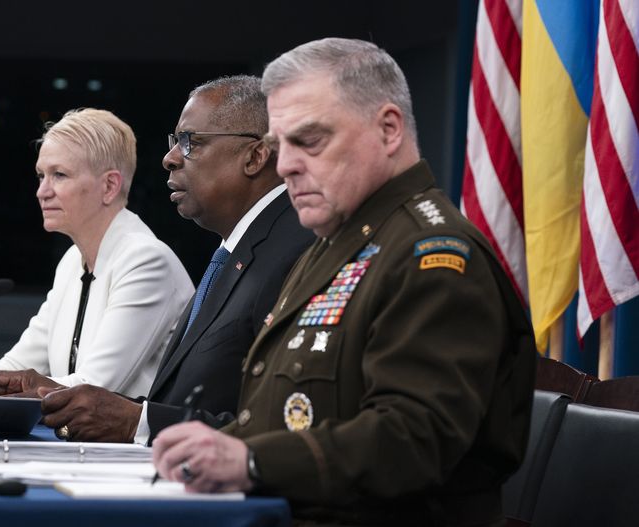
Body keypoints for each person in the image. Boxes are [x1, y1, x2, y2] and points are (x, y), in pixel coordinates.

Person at [151, 38, 536, 526]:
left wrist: (249, 461)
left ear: (389, 129)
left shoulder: (432, 256)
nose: (285, 164)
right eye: (280, 144)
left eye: (308, 141)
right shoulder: (334, 246)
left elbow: (415, 440)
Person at [0, 76, 314, 443]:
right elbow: (178, 400)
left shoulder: (296, 251)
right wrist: (51, 392)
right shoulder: (238, 251)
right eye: (174, 142)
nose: (169, 158)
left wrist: (137, 421)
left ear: (255, 156)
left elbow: (286, 425)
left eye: (189, 142)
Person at [0, 108, 194, 398]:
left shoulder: (146, 261)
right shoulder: (70, 262)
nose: (42, 191)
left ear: (109, 186)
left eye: (59, 175)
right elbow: (17, 366)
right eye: (41, 175)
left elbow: (93, 390)